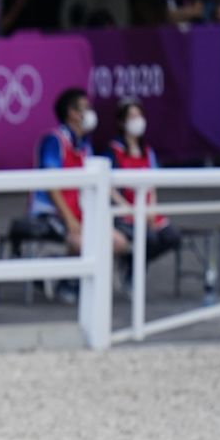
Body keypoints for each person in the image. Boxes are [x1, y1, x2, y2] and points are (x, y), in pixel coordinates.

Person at [30, 87, 130, 301]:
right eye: (85, 108)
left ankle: (67, 273)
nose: (90, 113)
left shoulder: (85, 145)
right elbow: (51, 185)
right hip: (51, 213)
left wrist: (126, 207)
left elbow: (98, 182)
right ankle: (65, 280)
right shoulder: (54, 141)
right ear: (72, 113)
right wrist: (69, 219)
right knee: (85, 244)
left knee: (119, 242)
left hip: (80, 211)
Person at [105, 99, 181, 285]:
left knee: (172, 237)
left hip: (147, 211)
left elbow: (152, 185)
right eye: (132, 116)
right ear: (121, 122)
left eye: (139, 115)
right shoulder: (112, 151)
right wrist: (130, 210)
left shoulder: (148, 152)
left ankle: (132, 262)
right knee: (149, 238)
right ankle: (133, 270)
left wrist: (151, 209)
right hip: (124, 213)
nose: (137, 120)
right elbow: (109, 188)